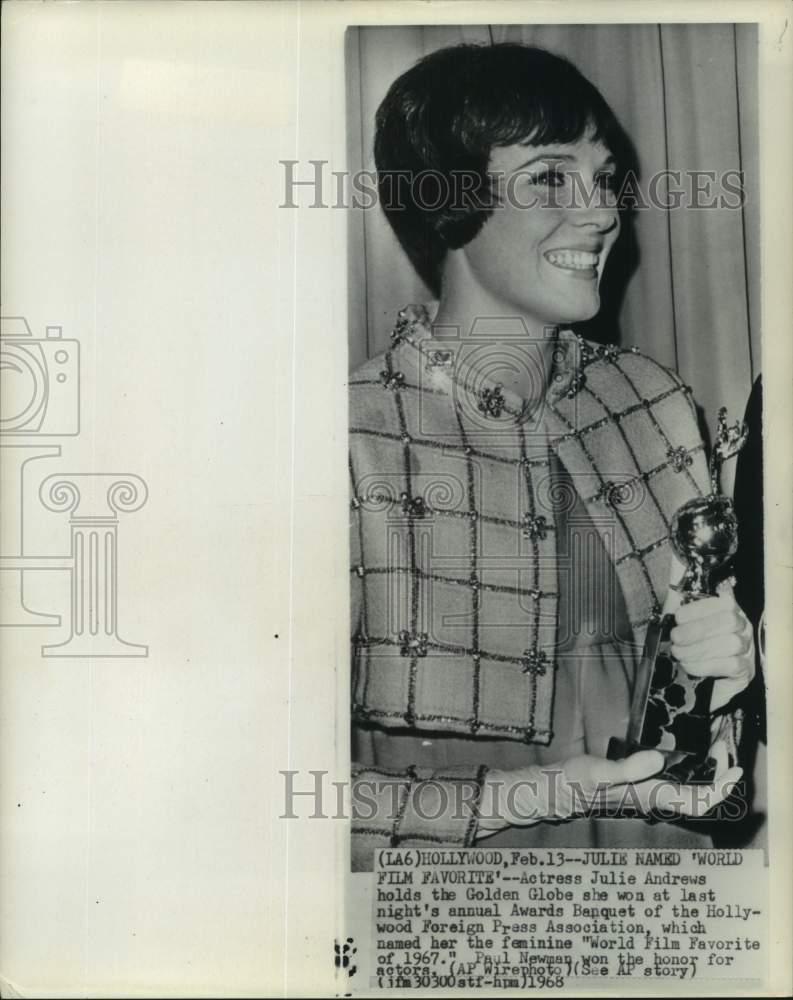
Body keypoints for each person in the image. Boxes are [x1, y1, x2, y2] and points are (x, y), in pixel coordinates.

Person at [348, 43, 754, 871]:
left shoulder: (654, 400)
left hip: (665, 886)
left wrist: (738, 675)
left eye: (603, 178)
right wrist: (541, 793)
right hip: (459, 904)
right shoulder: (350, 438)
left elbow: (711, 746)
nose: (601, 212)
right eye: (547, 177)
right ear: (448, 203)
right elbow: (265, 793)